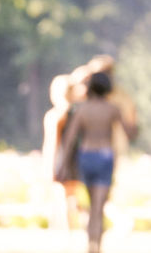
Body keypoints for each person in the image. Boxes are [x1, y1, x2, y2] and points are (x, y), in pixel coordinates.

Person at [60, 71, 138, 253]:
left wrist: (64, 164)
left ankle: (91, 244)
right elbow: (130, 133)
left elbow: (70, 138)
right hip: (104, 157)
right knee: (98, 206)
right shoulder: (112, 109)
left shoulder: (82, 110)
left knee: (90, 205)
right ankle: (96, 245)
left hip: (86, 157)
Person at [42, 74, 81, 230]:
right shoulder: (78, 114)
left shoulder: (54, 116)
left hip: (60, 161)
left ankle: (66, 235)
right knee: (72, 199)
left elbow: (52, 143)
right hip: (75, 160)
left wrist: (48, 166)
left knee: (61, 201)